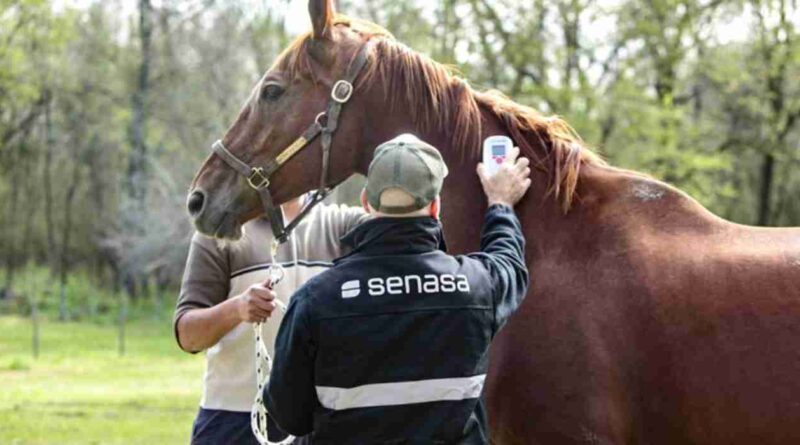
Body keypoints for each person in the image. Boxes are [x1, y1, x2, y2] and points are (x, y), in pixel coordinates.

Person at [264, 134, 531, 444]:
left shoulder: (315, 300)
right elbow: (509, 262)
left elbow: (288, 417)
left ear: (366, 202)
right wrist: (500, 204)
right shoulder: (478, 286)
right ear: (435, 206)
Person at [174, 195, 368, 444]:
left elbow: (410, 224)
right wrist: (238, 308)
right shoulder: (221, 231)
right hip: (234, 420)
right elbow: (188, 336)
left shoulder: (342, 226)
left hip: (321, 423)